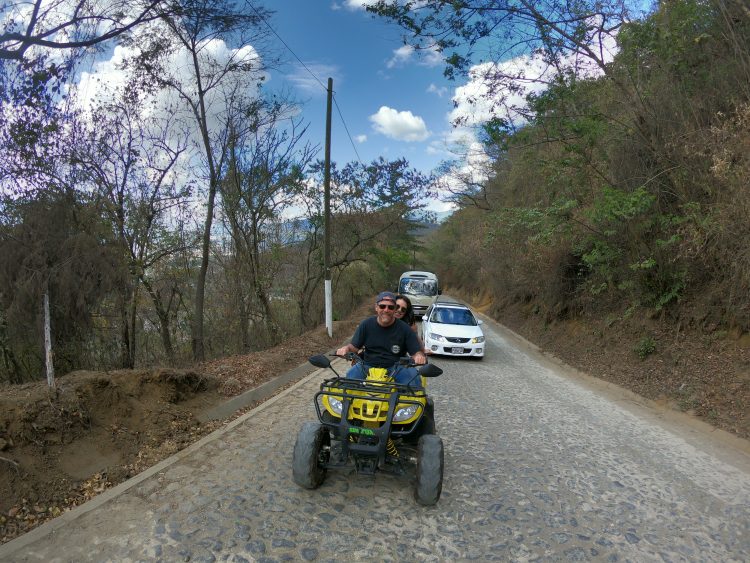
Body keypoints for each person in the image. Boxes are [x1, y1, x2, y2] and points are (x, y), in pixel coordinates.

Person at [336, 291, 426, 386]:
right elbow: (353, 348)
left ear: (394, 309)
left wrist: (418, 356)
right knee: (350, 378)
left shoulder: (405, 329)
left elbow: (416, 352)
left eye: (390, 307)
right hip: (367, 366)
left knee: (413, 381)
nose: (386, 310)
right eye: (382, 306)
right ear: (376, 307)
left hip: (397, 368)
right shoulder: (366, 324)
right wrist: (345, 349)